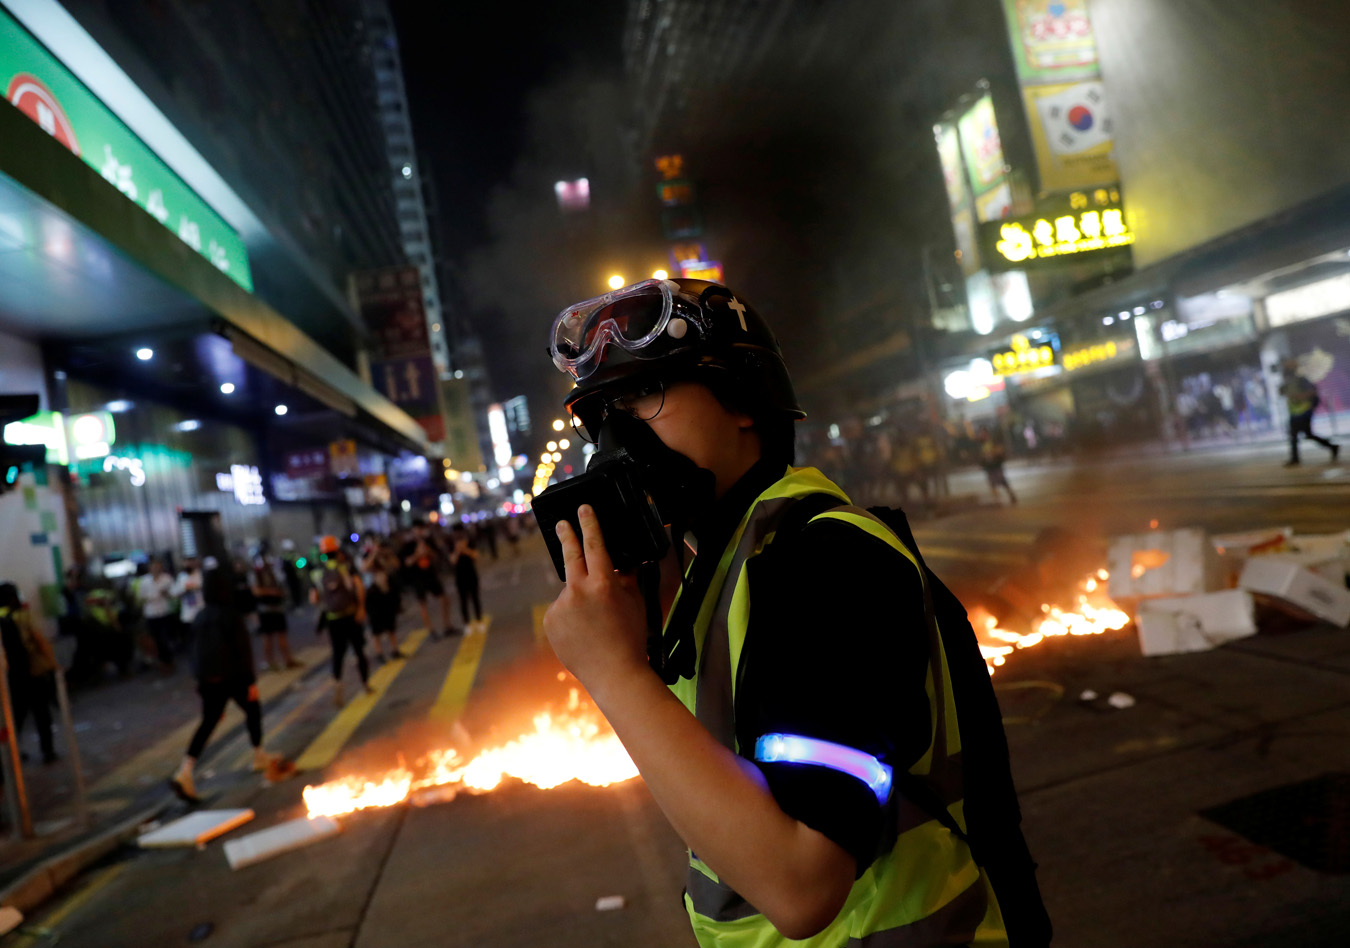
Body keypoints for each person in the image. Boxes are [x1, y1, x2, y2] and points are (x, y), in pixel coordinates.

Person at [542, 278, 1049, 946]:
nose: (617, 436)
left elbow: (803, 884)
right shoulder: (722, 571)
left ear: (743, 401)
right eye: (600, 413)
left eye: (645, 393)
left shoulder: (820, 562)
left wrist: (614, 675)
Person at [170, 565, 277, 803]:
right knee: (252, 708)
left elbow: (193, 653)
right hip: (234, 677)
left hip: (208, 680)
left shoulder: (199, 616)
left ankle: (185, 770)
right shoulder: (230, 615)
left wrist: (200, 682)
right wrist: (250, 681)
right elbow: (242, 651)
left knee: (208, 722)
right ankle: (259, 754)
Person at [0, 583, 59, 764]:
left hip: (10, 676)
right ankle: (47, 751)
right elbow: (40, 640)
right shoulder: (23, 616)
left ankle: (12, 753)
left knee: (16, 716)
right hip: (32, 670)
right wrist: (53, 664)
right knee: (41, 713)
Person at [310, 536, 371, 707]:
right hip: (351, 615)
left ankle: (337, 687)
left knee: (338, 654)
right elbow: (359, 587)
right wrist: (361, 608)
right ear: (337, 551)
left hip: (333, 620)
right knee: (359, 650)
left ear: (322, 553)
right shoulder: (346, 568)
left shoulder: (317, 573)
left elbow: (314, 599)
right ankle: (365, 684)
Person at [399, 521, 455, 639]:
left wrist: (428, 551)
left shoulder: (428, 541)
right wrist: (417, 554)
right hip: (417, 578)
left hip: (430, 574)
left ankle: (447, 625)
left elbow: (436, 555)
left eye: (421, 528)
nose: (419, 531)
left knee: (444, 598)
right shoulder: (408, 545)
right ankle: (431, 630)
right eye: (416, 529)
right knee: (423, 604)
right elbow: (406, 562)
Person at [1279, 357, 1338, 466]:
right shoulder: (1287, 380)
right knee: (1295, 435)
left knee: (1307, 434)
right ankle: (1295, 458)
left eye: (1289, 365)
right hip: (1294, 412)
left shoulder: (1301, 379)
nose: (1287, 368)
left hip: (1304, 410)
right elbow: (1282, 392)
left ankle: (1332, 446)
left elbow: (1313, 391)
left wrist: (1299, 396)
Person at [251, 555, 300, 671]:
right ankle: (270, 662)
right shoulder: (257, 575)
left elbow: (282, 590)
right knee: (268, 638)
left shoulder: (274, 574)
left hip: (276, 610)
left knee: (280, 636)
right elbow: (256, 591)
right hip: (266, 611)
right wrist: (272, 592)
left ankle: (288, 660)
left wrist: (277, 592)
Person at [136, 557, 178, 671]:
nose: (156, 569)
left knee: (165, 638)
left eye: (158, 567)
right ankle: (163, 661)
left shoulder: (167, 578)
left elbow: (174, 594)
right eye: (153, 567)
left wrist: (167, 593)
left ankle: (168, 660)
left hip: (164, 611)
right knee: (157, 639)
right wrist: (150, 598)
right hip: (151, 614)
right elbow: (140, 598)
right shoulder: (144, 581)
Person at [364, 561, 404, 662]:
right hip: (373, 602)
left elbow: (394, 565)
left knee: (391, 626)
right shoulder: (366, 564)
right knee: (376, 630)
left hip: (387, 599)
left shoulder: (382, 563)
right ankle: (379, 653)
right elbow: (364, 568)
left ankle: (395, 650)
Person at [450, 526, 483, 631]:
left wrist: (465, 549)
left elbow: (476, 555)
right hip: (459, 577)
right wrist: (458, 550)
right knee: (463, 601)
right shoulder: (451, 545)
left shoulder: (470, 542)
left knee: (475, 598)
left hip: (471, 574)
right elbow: (452, 560)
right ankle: (467, 623)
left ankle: (479, 620)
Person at [979, 428, 1018, 506]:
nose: (981, 436)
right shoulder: (983, 444)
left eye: (983, 434)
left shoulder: (993, 442)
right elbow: (983, 456)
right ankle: (998, 500)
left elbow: (999, 451)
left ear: (987, 434)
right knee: (992, 484)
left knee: (1003, 481)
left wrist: (992, 453)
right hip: (989, 466)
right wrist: (983, 463)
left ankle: (1011, 495)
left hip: (996, 464)